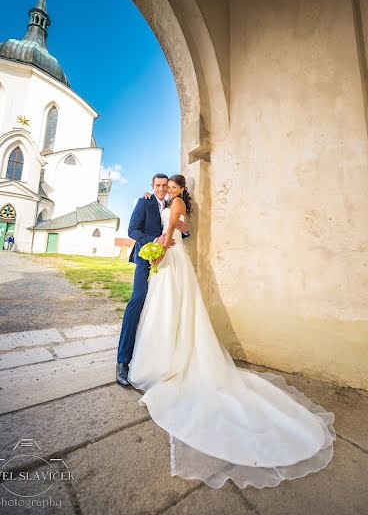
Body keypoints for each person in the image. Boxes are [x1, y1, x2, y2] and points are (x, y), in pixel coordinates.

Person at [127, 174, 336, 490]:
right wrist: (166, 240)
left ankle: (169, 358)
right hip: (169, 256)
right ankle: (166, 351)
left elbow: (173, 231)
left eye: (171, 186)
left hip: (171, 256)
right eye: (164, 186)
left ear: (181, 189)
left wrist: (162, 250)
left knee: (172, 306)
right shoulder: (155, 202)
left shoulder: (176, 202)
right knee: (166, 307)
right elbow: (174, 227)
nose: (167, 190)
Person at [116, 174, 190, 386]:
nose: (161, 188)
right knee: (138, 300)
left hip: (167, 259)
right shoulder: (144, 201)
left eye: (165, 186)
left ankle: (157, 355)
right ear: (152, 186)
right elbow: (132, 230)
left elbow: (179, 228)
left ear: (169, 188)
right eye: (157, 185)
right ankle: (122, 361)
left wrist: (184, 230)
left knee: (162, 306)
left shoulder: (171, 203)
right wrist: (154, 242)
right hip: (145, 258)